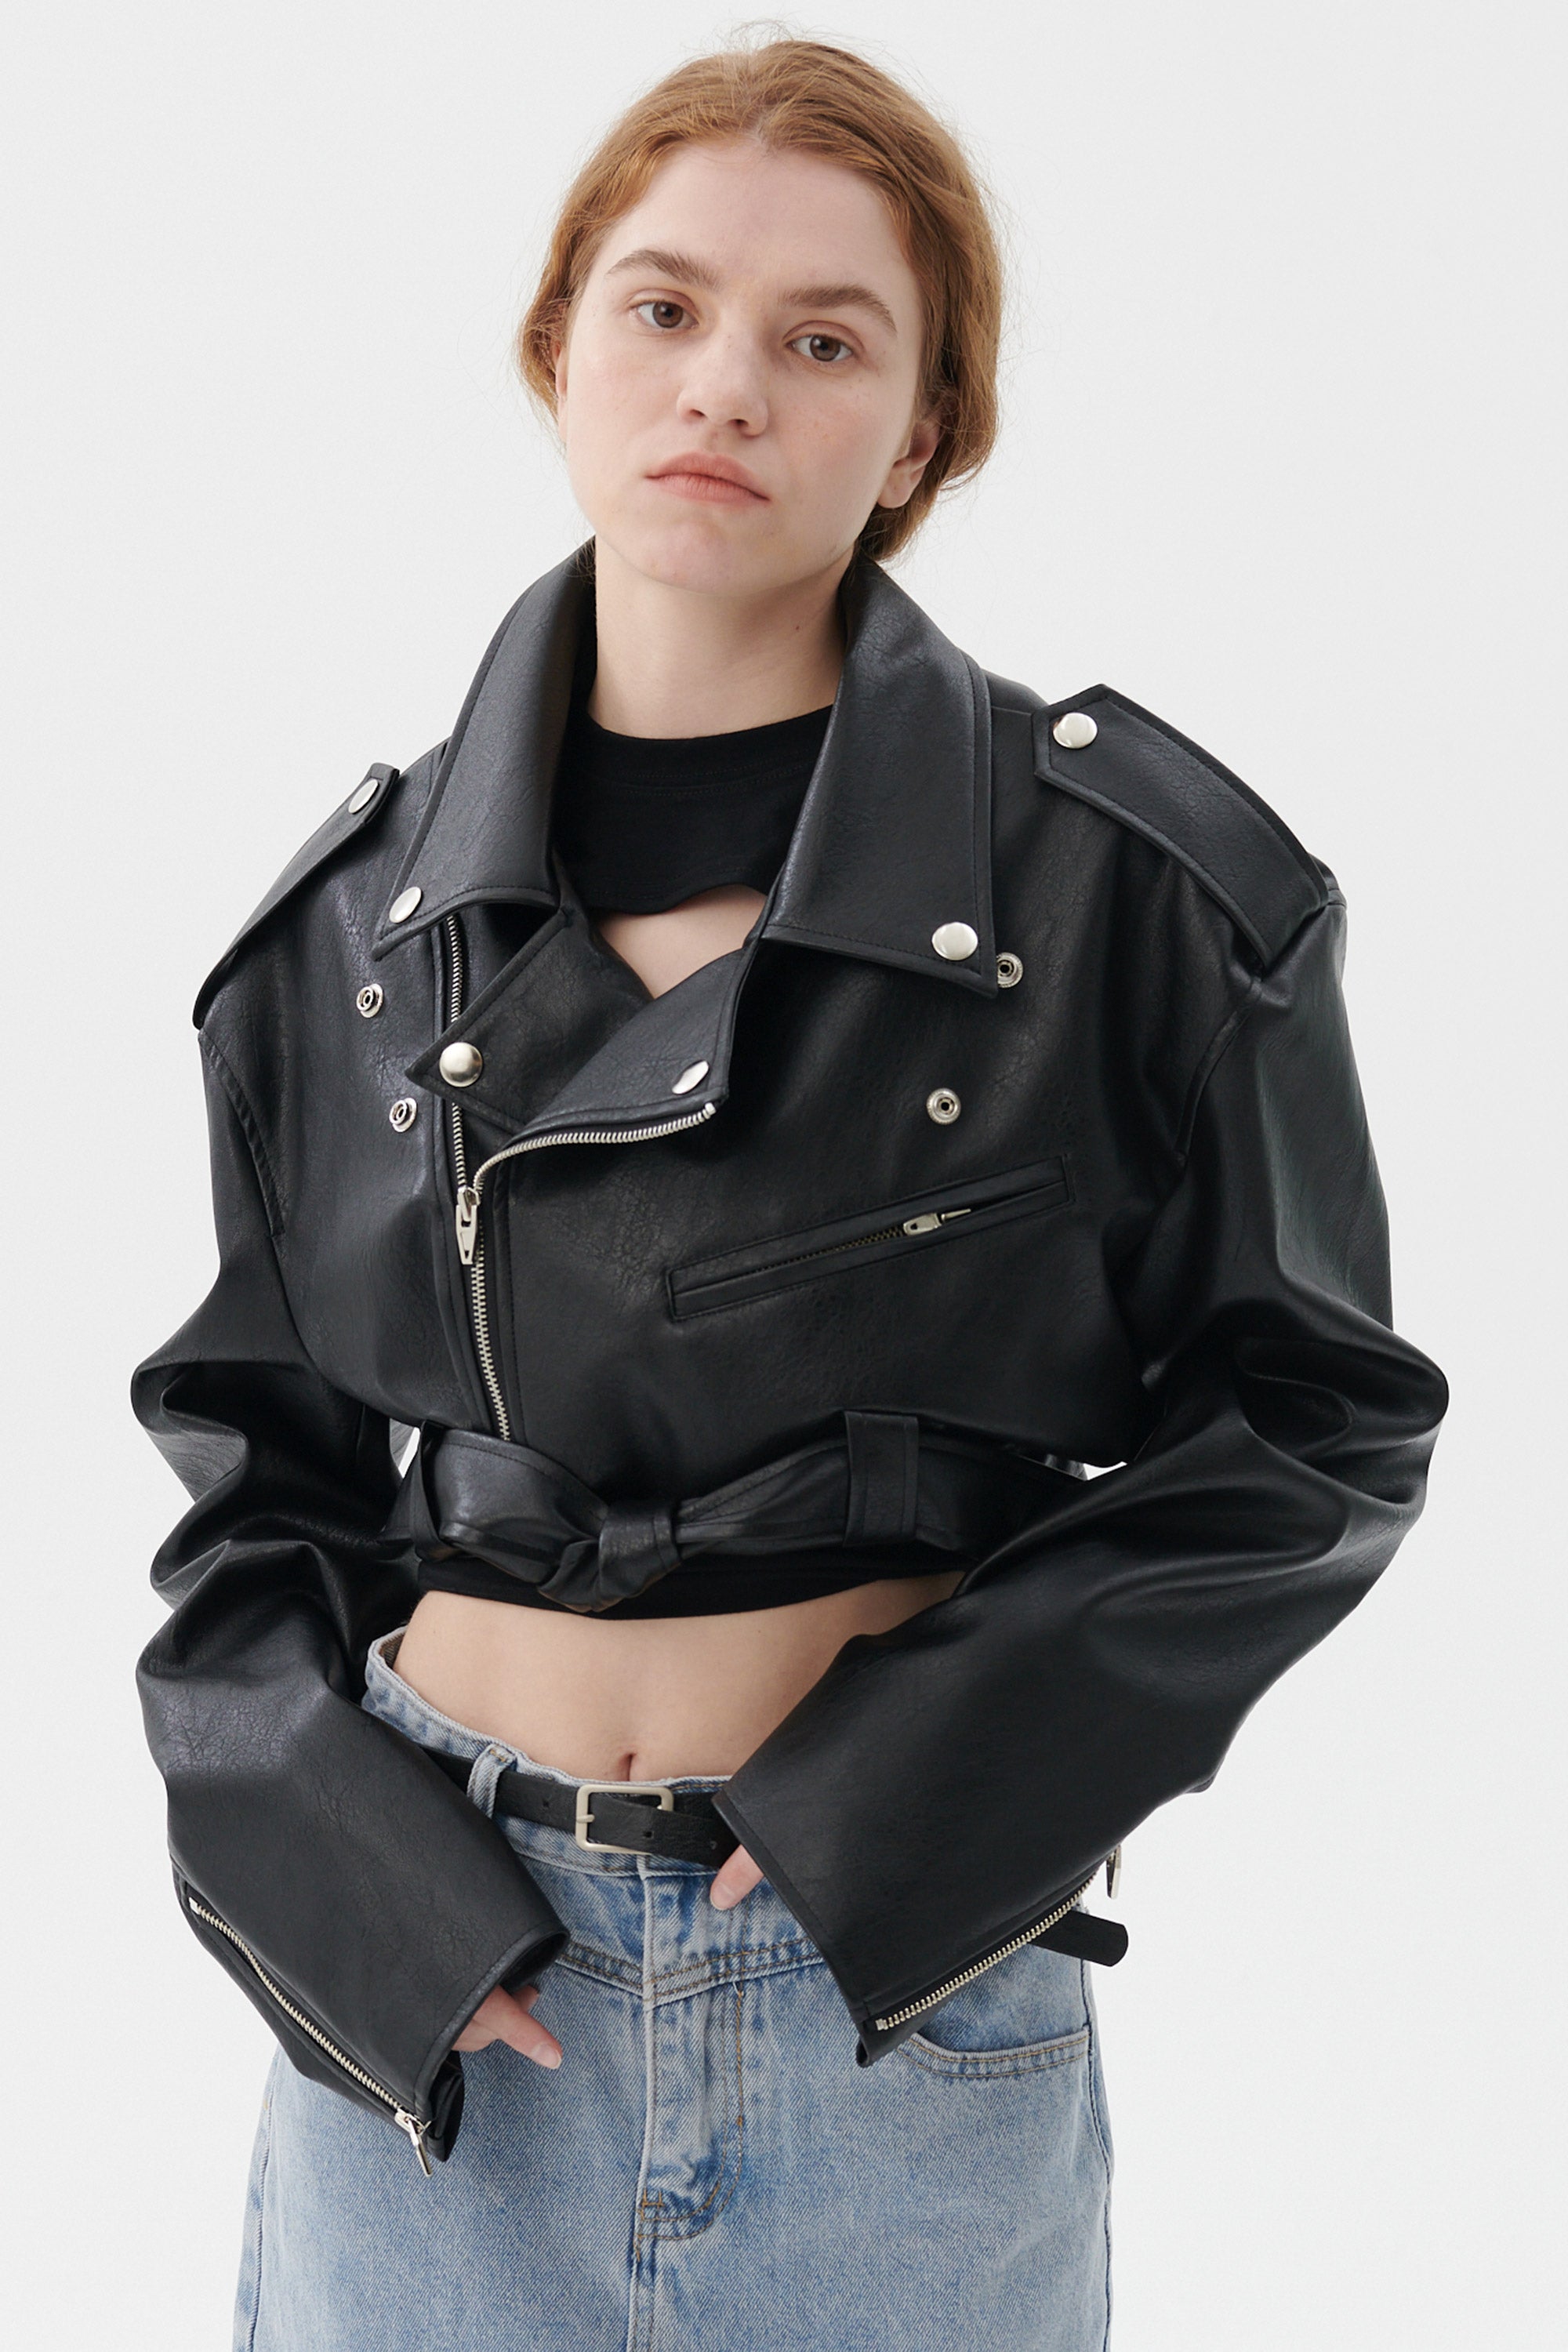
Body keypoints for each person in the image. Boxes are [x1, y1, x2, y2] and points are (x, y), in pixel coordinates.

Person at [133, 37, 1446, 2352]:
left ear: (925, 430)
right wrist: (346, 1894)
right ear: (557, 348)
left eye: (825, 340)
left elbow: (1315, 1422)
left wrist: (909, 1821)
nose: (724, 384)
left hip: (888, 2008)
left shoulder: (1139, 892)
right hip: (442, 2019)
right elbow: (257, 1479)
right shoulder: (339, 939)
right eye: (662, 307)